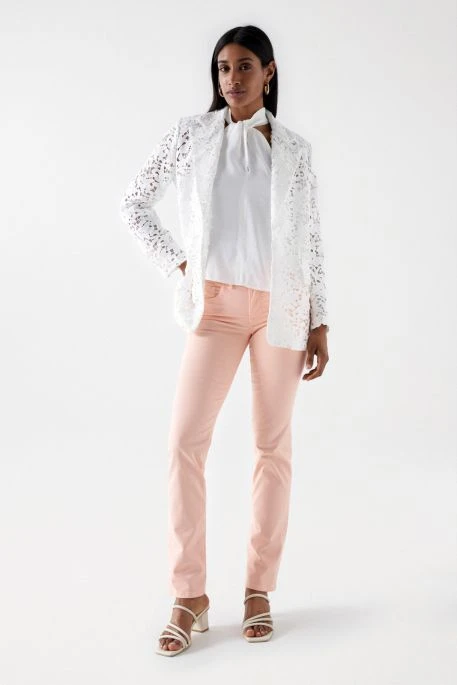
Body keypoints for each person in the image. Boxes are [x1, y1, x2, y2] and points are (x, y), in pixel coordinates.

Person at [119, 24, 329, 656]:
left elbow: (310, 239)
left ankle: (259, 589)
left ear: (268, 72)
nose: (231, 78)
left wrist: (320, 319)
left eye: (243, 67)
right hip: (214, 307)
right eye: (222, 68)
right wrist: (180, 266)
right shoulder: (190, 135)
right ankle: (189, 595)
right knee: (185, 442)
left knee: (272, 447)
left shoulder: (294, 151)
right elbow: (134, 204)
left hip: (280, 309)